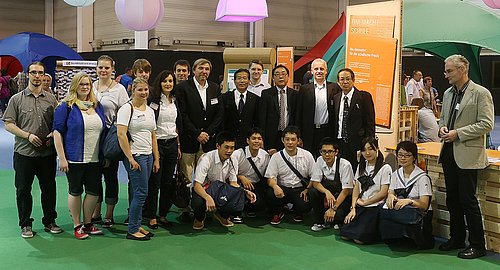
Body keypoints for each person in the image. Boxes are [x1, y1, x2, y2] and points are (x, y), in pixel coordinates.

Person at [437, 54, 494, 259]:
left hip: (468, 154)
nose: (445, 75)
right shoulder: (447, 94)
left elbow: (487, 124)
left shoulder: (480, 93)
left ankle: (478, 245)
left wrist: (458, 133)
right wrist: (442, 127)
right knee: (452, 199)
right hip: (449, 152)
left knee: (468, 200)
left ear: (462, 69)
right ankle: (456, 238)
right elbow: (442, 118)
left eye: (449, 71)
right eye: (445, 71)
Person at [2, 62, 62, 238]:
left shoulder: (51, 99)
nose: (37, 76)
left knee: (49, 189)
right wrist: (27, 136)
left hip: (47, 154)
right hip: (24, 154)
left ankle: (50, 221)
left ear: (44, 76)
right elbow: (9, 124)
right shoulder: (16, 99)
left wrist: (53, 134)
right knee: (23, 190)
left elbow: (58, 123)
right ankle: (25, 224)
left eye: (41, 73)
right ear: (28, 74)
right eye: (34, 72)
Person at [53, 72, 107, 239]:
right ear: (75, 86)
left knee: (93, 191)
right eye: (82, 84)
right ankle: (77, 225)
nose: (85, 87)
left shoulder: (97, 106)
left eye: (88, 84)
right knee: (75, 191)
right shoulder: (66, 107)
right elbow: (57, 132)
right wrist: (61, 157)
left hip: (95, 158)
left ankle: (88, 223)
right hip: (74, 158)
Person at [175, 58, 223, 222]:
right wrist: (196, 133)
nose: (204, 71)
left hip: (208, 140)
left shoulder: (215, 88)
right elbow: (182, 114)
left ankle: (204, 205)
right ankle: (185, 208)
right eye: (201, 68)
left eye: (207, 69)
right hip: (189, 139)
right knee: (187, 176)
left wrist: (207, 133)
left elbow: (219, 114)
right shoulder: (182, 88)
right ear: (193, 70)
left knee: (206, 176)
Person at [117, 77, 160, 241]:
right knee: (141, 193)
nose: (143, 93)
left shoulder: (149, 110)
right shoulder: (126, 109)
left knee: (141, 192)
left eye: (145, 90)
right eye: (139, 90)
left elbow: (153, 135)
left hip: (148, 156)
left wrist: (156, 159)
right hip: (136, 156)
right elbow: (121, 135)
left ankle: (136, 224)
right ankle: (132, 229)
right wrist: (130, 158)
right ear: (132, 90)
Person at [91, 55, 130, 228]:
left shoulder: (120, 89)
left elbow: (124, 114)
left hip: (110, 138)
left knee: (110, 176)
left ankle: (109, 214)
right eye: (100, 67)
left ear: (112, 68)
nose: (103, 71)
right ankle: (95, 212)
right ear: (96, 68)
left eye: (106, 68)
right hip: (92, 139)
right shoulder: (91, 86)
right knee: (94, 177)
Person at [191, 131, 256, 230]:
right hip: (203, 189)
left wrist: (245, 192)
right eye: (226, 147)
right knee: (198, 202)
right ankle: (199, 218)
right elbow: (196, 185)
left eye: (232, 148)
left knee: (237, 195)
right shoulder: (207, 158)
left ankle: (222, 215)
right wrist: (207, 197)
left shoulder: (233, 160)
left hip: (219, 190)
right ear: (218, 146)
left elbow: (233, 183)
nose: (229, 151)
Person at [143, 70, 181, 229]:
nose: (168, 84)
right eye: (165, 81)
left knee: (168, 182)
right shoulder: (153, 100)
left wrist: (178, 145)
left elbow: (176, 124)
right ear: (160, 83)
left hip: (172, 143)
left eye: (171, 81)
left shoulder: (175, 101)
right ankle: (151, 216)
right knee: (155, 182)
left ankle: (163, 214)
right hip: (157, 144)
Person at [380, 141, 434, 249]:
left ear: (414, 157)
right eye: (400, 155)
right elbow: (391, 191)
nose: (403, 158)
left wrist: (409, 201)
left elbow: (424, 205)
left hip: (418, 212)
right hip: (403, 210)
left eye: (407, 155)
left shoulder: (422, 177)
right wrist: (390, 196)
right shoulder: (396, 174)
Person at [340, 137, 391, 244]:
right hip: (360, 206)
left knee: (360, 240)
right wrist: (353, 208)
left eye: (370, 149)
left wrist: (365, 202)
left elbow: (383, 193)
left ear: (377, 148)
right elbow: (356, 188)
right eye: (364, 150)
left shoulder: (385, 168)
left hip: (374, 207)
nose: (367, 153)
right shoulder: (361, 166)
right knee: (345, 234)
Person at [265, 126, 314, 225]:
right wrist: (275, 186)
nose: (290, 142)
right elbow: (270, 178)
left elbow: (315, 176)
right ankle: (278, 211)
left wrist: (307, 189)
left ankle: (298, 211)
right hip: (283, 188)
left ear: (298, 141)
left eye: (293, 139)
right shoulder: (276, 157)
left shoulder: (307, 155)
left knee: (306, 203)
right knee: (270, 193)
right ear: (282, 140)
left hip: (300, 189)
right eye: (287, 139)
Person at [333, 68, 375, 170]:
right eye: (342, 79)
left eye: (348, 79)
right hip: (340, 142)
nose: (345, 82)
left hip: (357, 143)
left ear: (353, 80)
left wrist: (368, 145)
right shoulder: (336, 98)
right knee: (342, 170)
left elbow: (370, 122)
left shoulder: (363, 96)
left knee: (357, 170)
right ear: (338, 82)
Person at [296, 58, 340, 156]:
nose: (319, 71)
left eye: (321, 69)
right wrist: (298, 135)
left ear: (326, 71)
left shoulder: (335, 88)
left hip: (327, 131)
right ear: (311, 71)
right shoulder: (304, 89)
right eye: (316, 69)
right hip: (309, 132)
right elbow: (299, 113)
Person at [309, 137, 354, 232]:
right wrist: (326, 192)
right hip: (328, 195)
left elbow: (346, 191)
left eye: (330, 151)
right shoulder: (320, 160)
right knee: (312, 192)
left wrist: (333, 209)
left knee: (337, 216)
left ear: (336, 152)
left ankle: (338, 220)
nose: (327, 155)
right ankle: (320, 221)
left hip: (342, 197)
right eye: (323, 151)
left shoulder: (345, 165)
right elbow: (315, 182)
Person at [230, 127, 271, 222]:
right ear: (248, 141)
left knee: (259, 204)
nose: (257, 141)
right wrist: (241, 177)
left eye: (259, 139)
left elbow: (267, 175)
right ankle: (236, 213)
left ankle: (249, 207)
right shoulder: (237, 154)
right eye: (254, 138)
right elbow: (230, 174)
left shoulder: (265, 155)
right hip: (237, 184)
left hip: (255, 185)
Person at [259, 65, 298, 155]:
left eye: (283, 74)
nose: (281, 76)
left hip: (289, 135)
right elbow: (262, 118)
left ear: (288, 76)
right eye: (277, 74)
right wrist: (262, 138)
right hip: (271, 135)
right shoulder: (266, 94)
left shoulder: (295, 94)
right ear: (273, 78)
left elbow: (296, 116)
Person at [219, 68, 259, 148]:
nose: (242, 81)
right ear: (234, 80)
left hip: (247, 141)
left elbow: (257, 121)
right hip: (228, 140)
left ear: (249, 81)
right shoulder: (224, 97)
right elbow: (221, 119)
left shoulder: (256, 99)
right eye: (239, 78)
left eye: (245, 78)